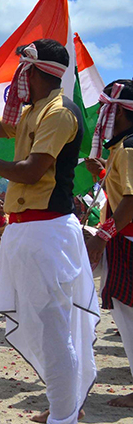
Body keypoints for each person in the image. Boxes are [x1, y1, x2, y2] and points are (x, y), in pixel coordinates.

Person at [0, 39, 98, 424]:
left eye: (24, 69)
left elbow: (32, 170)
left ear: (39, 71)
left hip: (47, 229)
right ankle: (65, 404)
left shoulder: (59, 113)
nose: (19, 77)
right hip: (29, 231)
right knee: (42, 325)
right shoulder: (34, 111)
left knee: (52, 327)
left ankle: (64, 415)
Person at [84, 80, 133, 408]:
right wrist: (103, 172)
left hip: (128, 238)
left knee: (129, 314)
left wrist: (103, 237)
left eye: (109, 111)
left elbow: (129, 198)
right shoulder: (123, 148)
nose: (105, 118)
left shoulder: (128, 147)